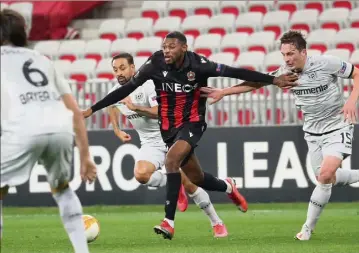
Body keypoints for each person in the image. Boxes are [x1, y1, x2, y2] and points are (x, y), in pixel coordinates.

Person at [82, 31, 298, 240]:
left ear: (184, 48)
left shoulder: (199, 65)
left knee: (172, 161)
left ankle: (169, 222)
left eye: (171, 47)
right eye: (164, 47)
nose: (166, 51)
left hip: (192, 123)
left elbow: (236, 72)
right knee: (197, 178)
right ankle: (228, 186)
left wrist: (274, 80)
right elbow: (121, 93)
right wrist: (92, 109)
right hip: (168, 129)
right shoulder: (155, 63)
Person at [201, 30, 359, 241]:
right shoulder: (285, 73)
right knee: (326, 177)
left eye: (291, 53)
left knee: (324, 175)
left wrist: (351, 100)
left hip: (338, 126)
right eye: (284, 54)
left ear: (303, 52)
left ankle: (307, 229)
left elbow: (358, 73)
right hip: (312, 132)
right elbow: (256, 83)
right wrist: (223, 92)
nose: (287, 59)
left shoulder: (326, 63)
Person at [0, 9, 97, 252]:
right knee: (62, 189)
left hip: (23, 128)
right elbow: (75, 111)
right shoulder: (42, 60)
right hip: (60, 128)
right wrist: (85, 156)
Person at [107, 53, 228, 237]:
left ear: (133, 67)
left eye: (123, 68)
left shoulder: (147, 85)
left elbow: (160, 112)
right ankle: (174, 182)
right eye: (115, 70)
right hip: (150, 143)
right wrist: (116, 130)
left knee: (192, 184)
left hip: (171, 136)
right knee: (140, 174)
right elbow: (112, 105)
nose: (119, 73)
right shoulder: (117, 90)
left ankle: (216, 222)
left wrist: (137, 108)